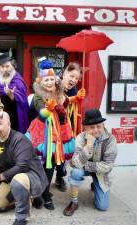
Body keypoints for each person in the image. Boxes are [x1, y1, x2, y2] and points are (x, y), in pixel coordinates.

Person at [25, 59, 73, 210]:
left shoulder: (59, 93)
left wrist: (68, 101)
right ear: (41, 81)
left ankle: (45, 194)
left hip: (57, 134)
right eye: (47, 79)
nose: (49, 82)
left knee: (51, 165)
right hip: (41, 135)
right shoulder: (38, 96)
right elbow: (41, 111)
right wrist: (48, 109)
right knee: (40, 165)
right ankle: (40, 193)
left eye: (52, 79)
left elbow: (65, 106)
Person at [0, 111, 48, 225]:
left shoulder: (19, 139)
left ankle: (22, 217)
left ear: (8, 124)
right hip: (10, 178)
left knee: (18, 181)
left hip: (31, 176)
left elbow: (22, 167)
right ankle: (27, 197)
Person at [63, 109, 118, 216]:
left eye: (99, 126)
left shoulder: (111, 140)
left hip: (101, 173)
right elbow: (74, 163)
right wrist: (88, 146)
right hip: (87, 167)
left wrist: (85, 165)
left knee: (102, 207)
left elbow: (107, 166)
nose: (96, 130)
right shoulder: (80, 138)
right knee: (75, 172)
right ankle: (74, 202)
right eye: (92, 127)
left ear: (103, 125)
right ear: (85, 128)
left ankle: (96, 183)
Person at [55, 62, 86, 192]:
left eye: (76, 78)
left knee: (64, 154)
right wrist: (74, 98)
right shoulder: (54, 84)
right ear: (64, 73)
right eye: (71, 76)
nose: (73, 80)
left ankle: (60, 177)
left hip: (66, 126)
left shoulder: (75, 90)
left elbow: (75, 111)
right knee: (50, 154)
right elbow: (60, 102)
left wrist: (78, 99)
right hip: (52, 125)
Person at [0, 52, 30, 133]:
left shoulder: (18, 81)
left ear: (13, 67)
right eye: (2, 67)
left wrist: (11, 96)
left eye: (7, 66)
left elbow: (23, 101)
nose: (5, 69)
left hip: (15, 119)